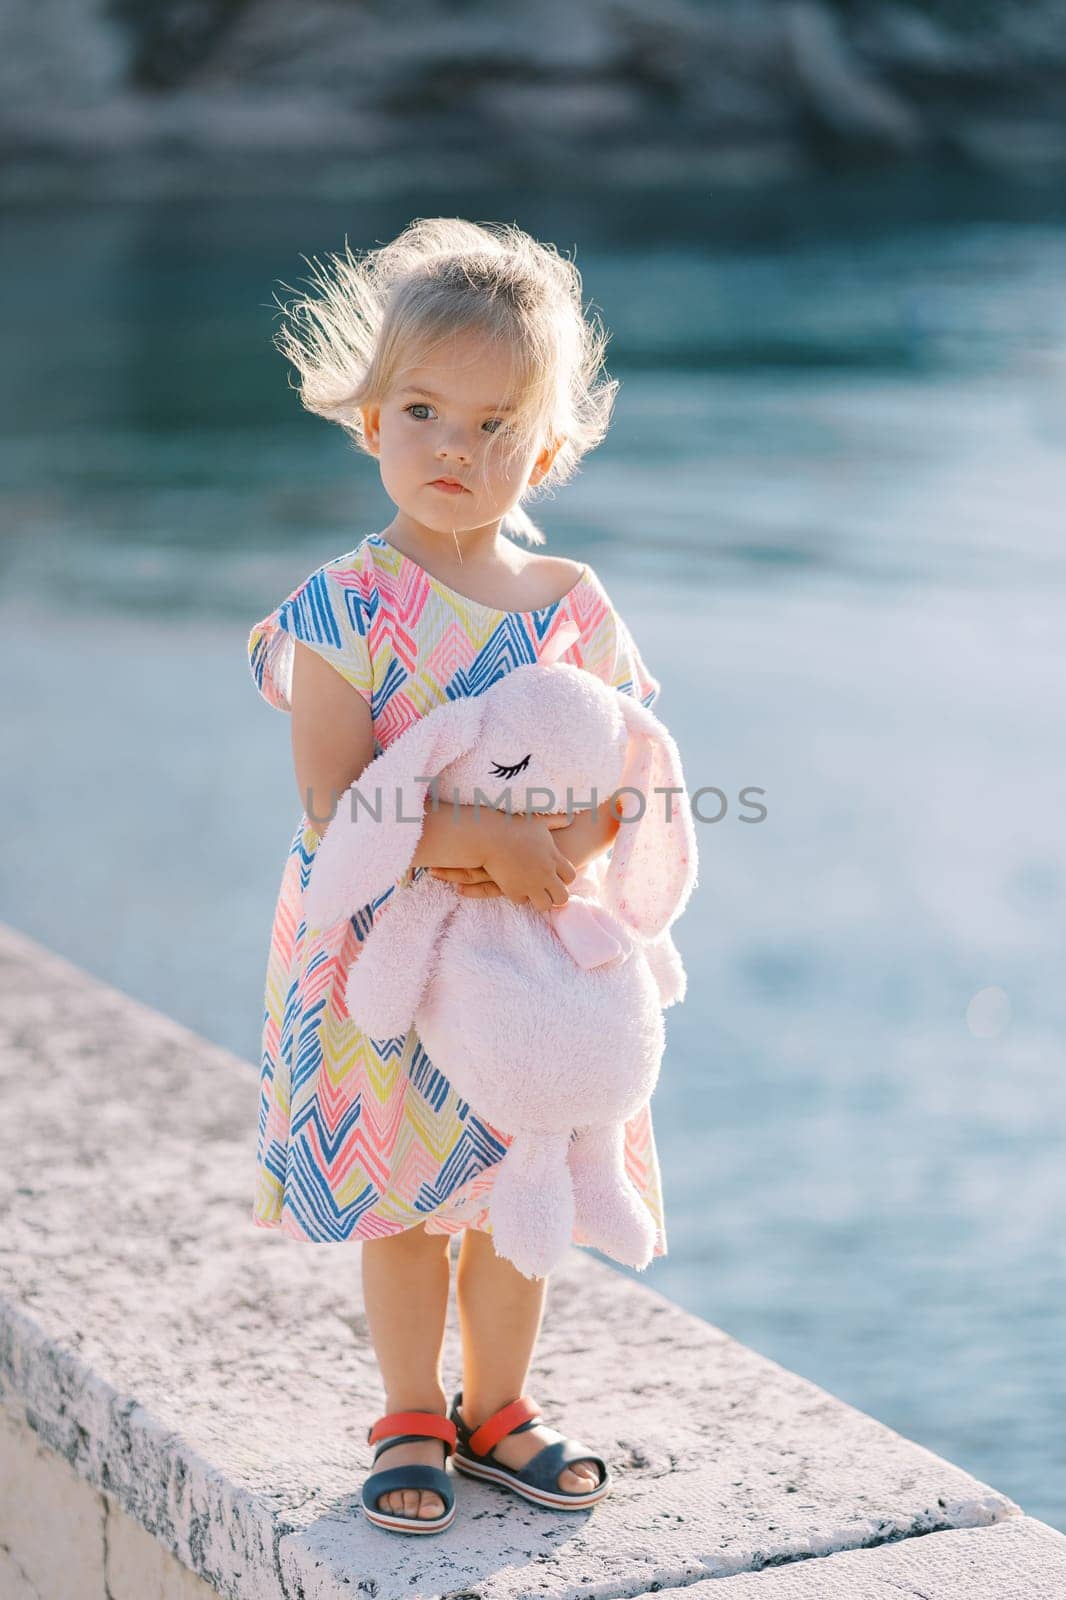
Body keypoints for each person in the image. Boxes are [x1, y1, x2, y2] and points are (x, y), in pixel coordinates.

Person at [247, 217, 666, 1534]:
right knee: (400, 1192)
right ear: (368, 415)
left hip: (528, 962)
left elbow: (623, 772)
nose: (455, 448)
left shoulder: (568, 602)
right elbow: (330, 800)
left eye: (494, 426)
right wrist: (474, 840)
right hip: (382, 950)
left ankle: (500, 1404)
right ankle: (407, 1410)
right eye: (423, 410)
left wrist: (567, 847)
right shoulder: (343, 605)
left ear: (542, 448)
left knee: (515, 1174)